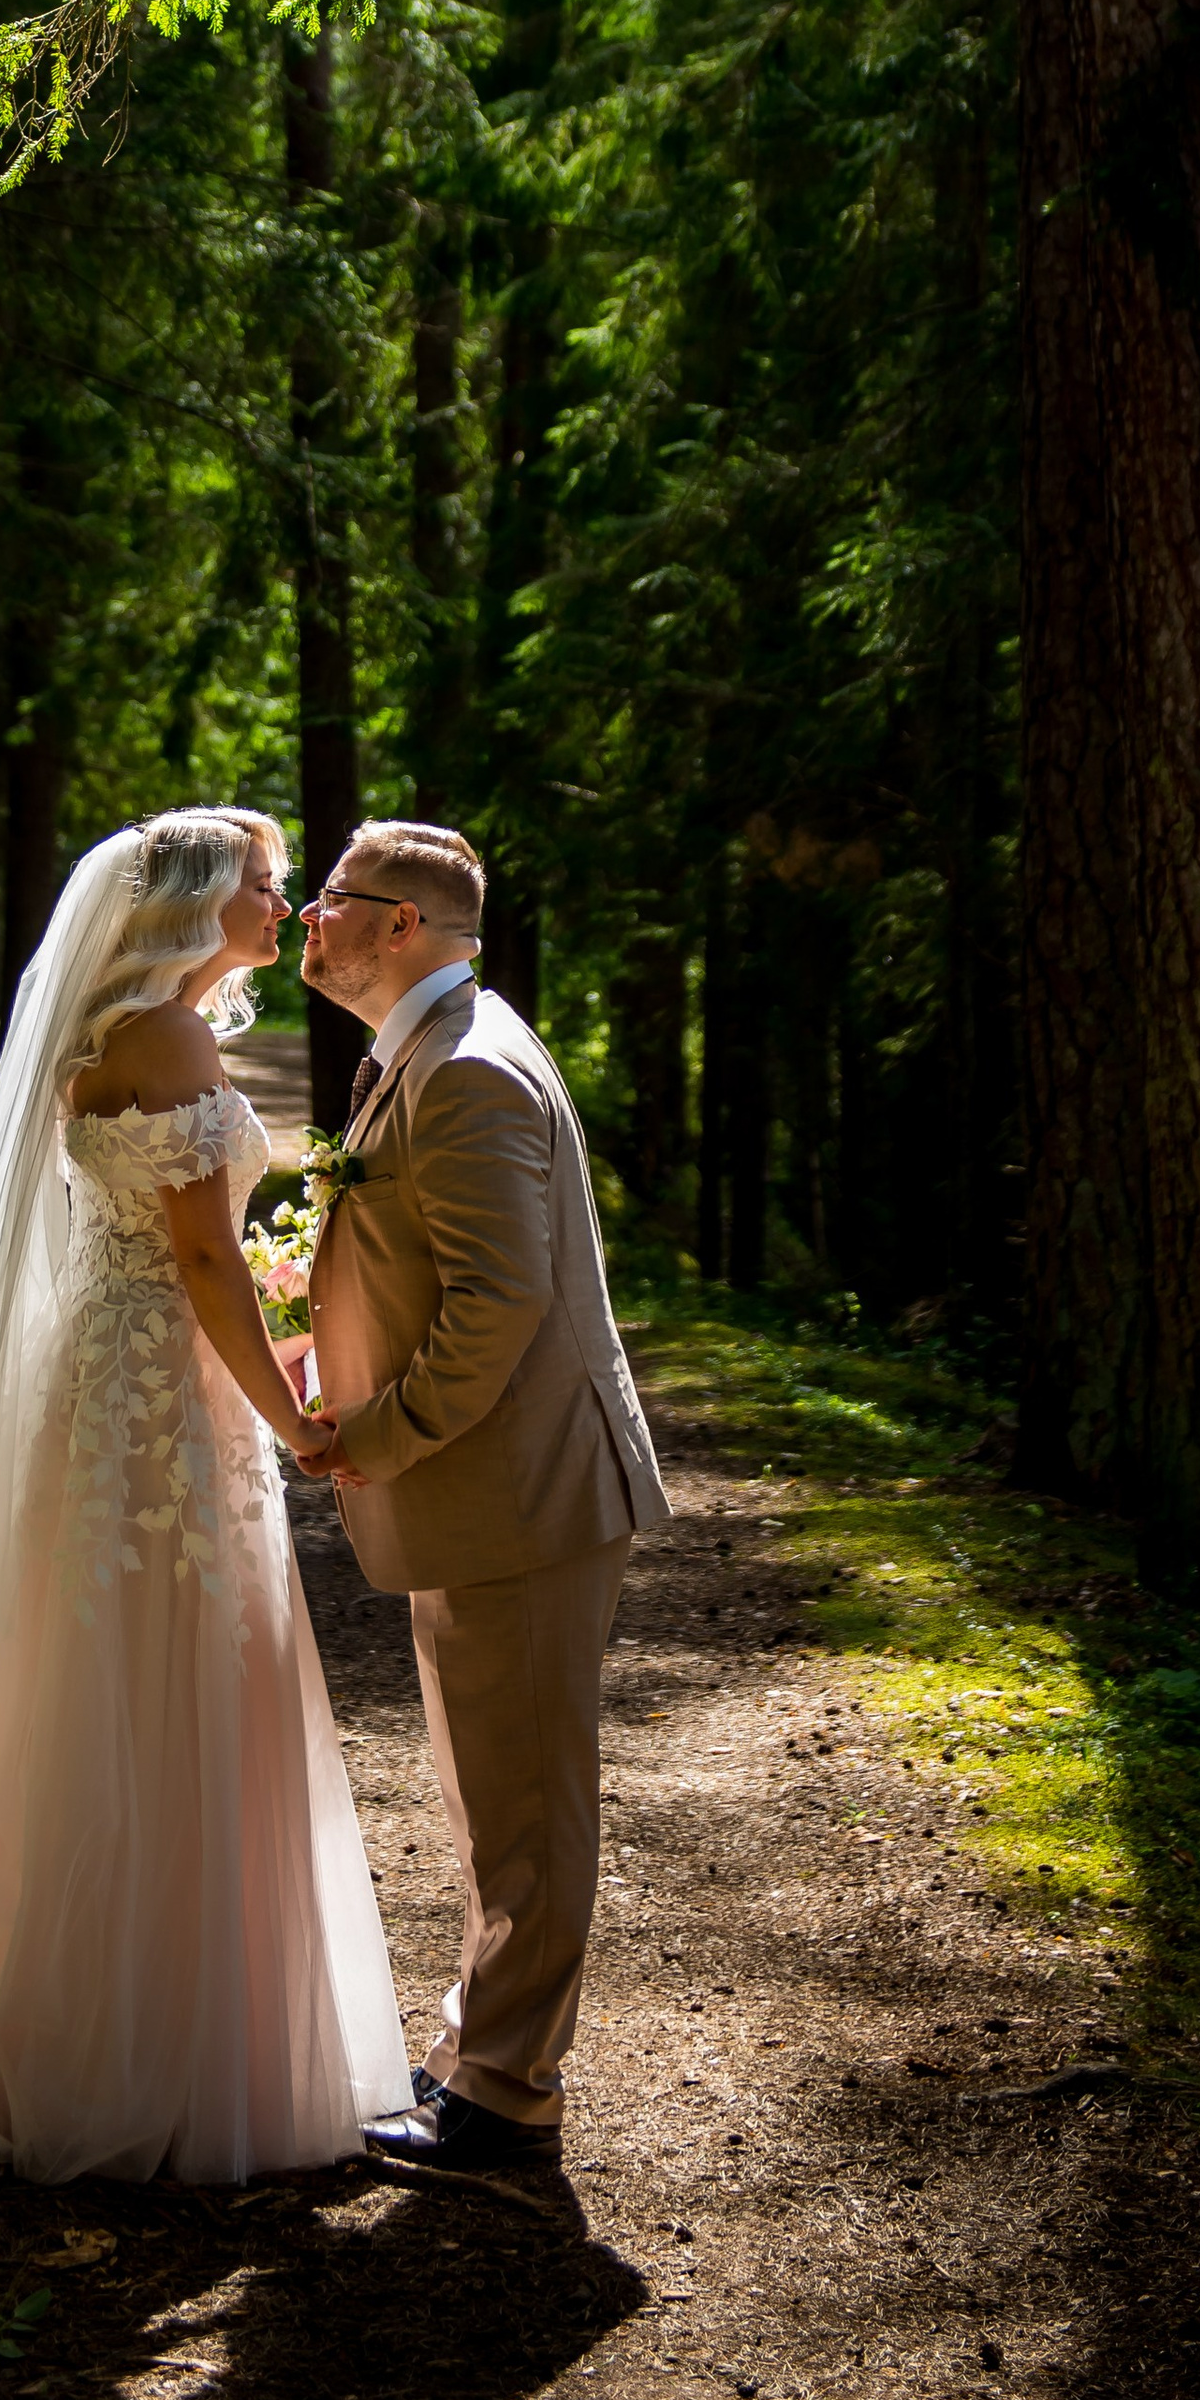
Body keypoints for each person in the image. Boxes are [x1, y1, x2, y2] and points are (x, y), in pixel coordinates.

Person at [0, 807, 409, 2183]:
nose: (287, 907)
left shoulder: (112, 1033)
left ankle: (44, 2015)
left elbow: (184, 1254)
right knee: (173, 1669)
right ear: (198, 906)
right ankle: (152, 2050)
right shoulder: (176, 1041)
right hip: (162, 1401)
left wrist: (276, 1327)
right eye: (265, 886)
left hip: (105, 1372)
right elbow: (201, 1264)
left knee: (86, 1668)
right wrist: (294, 1421)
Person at [298, 820, 670, 2172]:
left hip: (523, 1491)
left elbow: (499, 1305)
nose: (308, 920)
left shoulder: (467, 1073)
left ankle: (507, 2093)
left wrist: (376, 1436)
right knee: (489, 1793)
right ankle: (477, 2048)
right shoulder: (425, 1050)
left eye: (332, 900)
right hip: (494, 1490)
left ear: (399, 926)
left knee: (523, 1801)